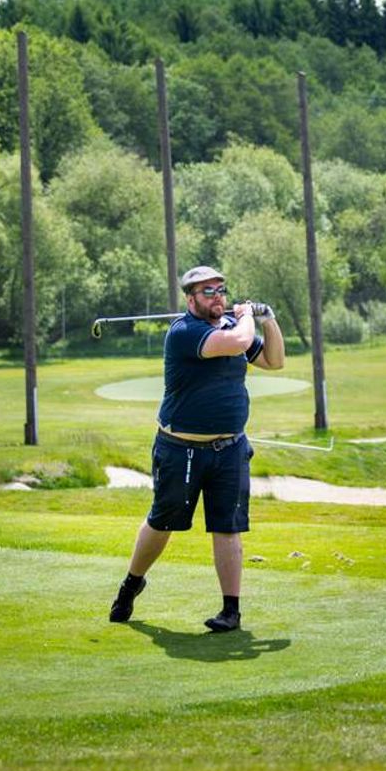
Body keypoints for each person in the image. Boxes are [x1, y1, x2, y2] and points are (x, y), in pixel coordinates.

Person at [109, 265, 285, 632]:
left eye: (221, 290)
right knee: (163, 521)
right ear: (190, 299)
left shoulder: (230, 326)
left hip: (230, 448)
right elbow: (238, 343)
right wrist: (248, 316)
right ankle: (132, 583)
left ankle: (231, 611)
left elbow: (274, 360)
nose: (218, 296)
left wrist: (269, 320)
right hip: (181, 449)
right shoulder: (185, 332)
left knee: (228, 527)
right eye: (208, 291)